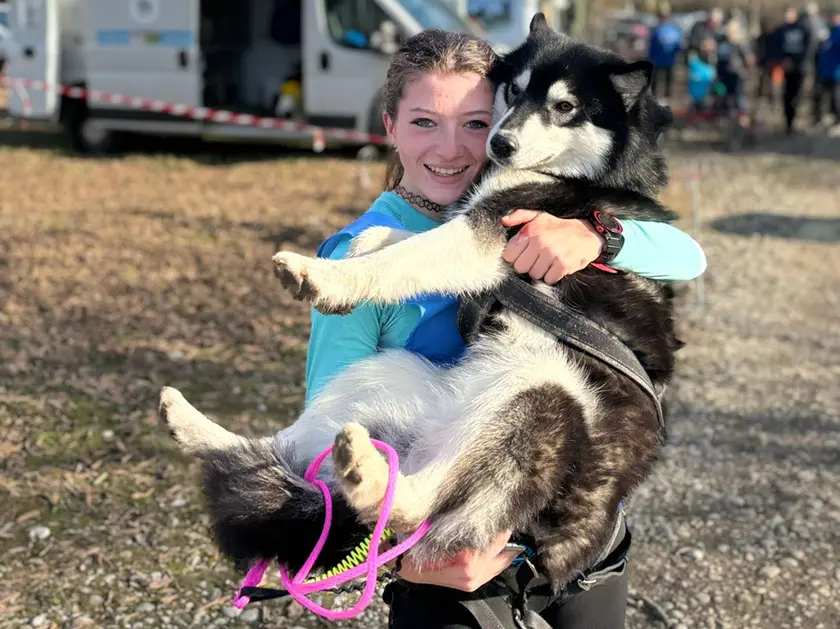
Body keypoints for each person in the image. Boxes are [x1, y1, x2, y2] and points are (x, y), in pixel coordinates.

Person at [305, 29, 707, 629]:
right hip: (455, 569)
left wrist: (600, 236)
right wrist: (400, 563)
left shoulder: (536, 199)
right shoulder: (358, 258)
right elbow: (327, 439)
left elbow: (686, 254)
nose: (456, 146)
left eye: (474, 121)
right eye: (423, 122)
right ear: (389, 125)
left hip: (581, 538)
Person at [772, 6, 813, 133]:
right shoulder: (781, 30)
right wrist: (783, 61)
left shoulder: (804, 29)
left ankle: (795, 120)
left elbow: (808, 48)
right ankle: (788, 123)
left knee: (797, 95)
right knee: (786, 95)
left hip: (800, 68)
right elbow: (776, 47)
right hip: (786, 68)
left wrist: (797, 62)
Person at [647, 2, 683, 101]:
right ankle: (653, 97)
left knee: (668, 79)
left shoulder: (673, 29)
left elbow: (678, 45)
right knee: (655, 79)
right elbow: (651, 44)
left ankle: (667, 98)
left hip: (669, 60)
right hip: (657, 60)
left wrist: (678, 55)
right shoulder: (656, 29)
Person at [813, 10, 840, 127]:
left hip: (836, 72)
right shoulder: (827, 32)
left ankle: (838, 121)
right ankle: (822, 119)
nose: (834, 20)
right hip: (824, 71)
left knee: (836, 97)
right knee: (823, 96)